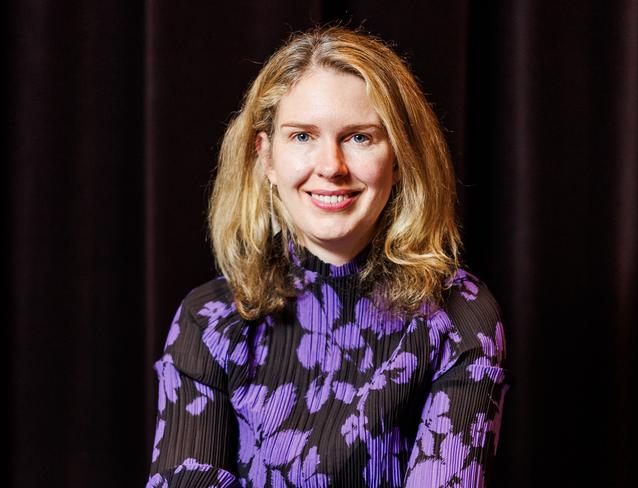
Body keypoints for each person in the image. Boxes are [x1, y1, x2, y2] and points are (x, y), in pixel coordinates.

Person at [146, 25, 508, 488]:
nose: (331, 166)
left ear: (397, 158)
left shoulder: (459, 315)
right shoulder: (209, 319)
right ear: (266, 157)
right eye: (302, 136)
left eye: (359, 137)